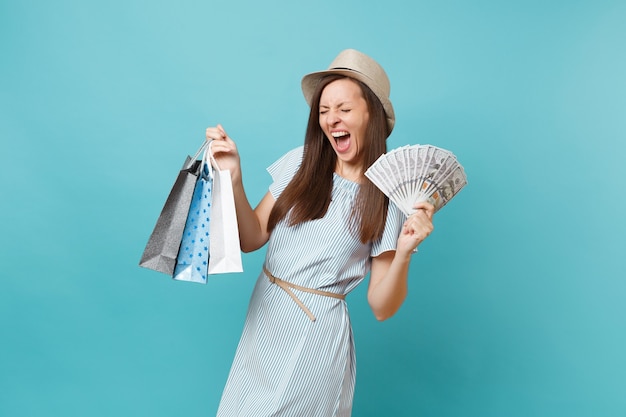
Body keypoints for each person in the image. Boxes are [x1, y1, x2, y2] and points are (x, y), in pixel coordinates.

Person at [205, 49, 435, 417]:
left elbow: (382, 306)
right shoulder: (300, 163)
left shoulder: (387, 199)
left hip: (315, 337)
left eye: (343, 109)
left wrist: (404, 251)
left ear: (371, 114)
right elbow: (251, 239)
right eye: (324, 111)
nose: (332, 119)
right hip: (263, 323)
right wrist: (233, 176)